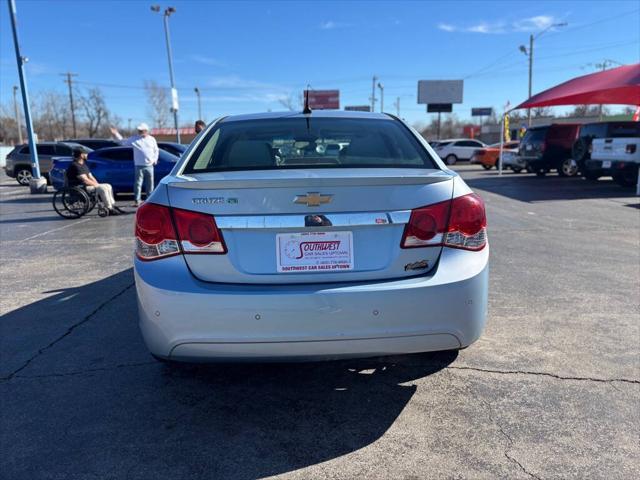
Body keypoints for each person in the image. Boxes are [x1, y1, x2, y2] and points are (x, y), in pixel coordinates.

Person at [110, 123, 159, 207]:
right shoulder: (134, 139)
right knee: (138, 184)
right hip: (139, 165)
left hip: (150, 165)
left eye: (141, 130)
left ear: (146, 131)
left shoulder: (152, 139)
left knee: (150, 184)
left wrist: (155, 159)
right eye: (139, 130)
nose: (140, 132)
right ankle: (137, 201)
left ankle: (149, 200)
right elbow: (123, 142)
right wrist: (116, 134)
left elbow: (156, 150)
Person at [66, 148, 124, 216]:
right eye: (86, 154)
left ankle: (112, 205)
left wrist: (97, 184)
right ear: (81, 155)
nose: (87, 155)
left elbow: (91, 177)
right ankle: (109, 208)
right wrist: (97, 186)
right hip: (79, 188)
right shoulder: (75, 166)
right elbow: (85, 180)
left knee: (108, 185)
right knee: (103, 188)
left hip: (86, 186)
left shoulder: (83, 165)